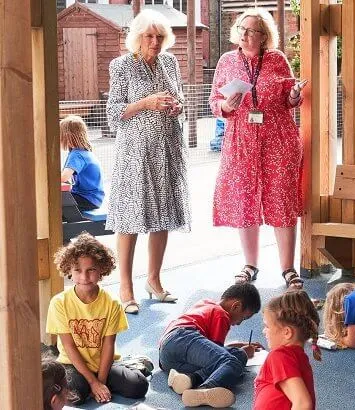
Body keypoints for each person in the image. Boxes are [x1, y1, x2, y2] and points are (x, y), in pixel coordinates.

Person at [209, 8, 307, 289]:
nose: (246, 34)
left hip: (278, 139)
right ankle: (250, 264)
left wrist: (294, 94)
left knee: (282, 199)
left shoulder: (277, 60)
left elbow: (290, 100)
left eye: (252, 30)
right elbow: (214, 101)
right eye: (242, 28)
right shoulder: (227, 61)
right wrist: (226, 106)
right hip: (240, 140)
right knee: (243, 198)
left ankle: (288, 269)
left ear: (264, 36)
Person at [106, 9, 191, 314]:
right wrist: (146, 103)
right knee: (130, 219)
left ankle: (154, 281)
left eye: (160, 37)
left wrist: (176, 107)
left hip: (166, 149)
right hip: (135, 154)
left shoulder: (170, 61)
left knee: (163, 215)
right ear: (137, 36)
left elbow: (179, 97)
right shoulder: (122, 66)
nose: (155, 42)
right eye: (149, 36)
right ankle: (125, 287)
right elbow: (113, 113)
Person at [46, 233, 151, 405]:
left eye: (91, 270)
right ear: (69, 270)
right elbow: (69, 346)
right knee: (75, 395)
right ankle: (90, 383)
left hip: (104, 364)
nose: (84, 277)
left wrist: (100, 382)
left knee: (139, 386)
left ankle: (131, 364)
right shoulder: (59, 303)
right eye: (78, 270)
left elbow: (109, 345)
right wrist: (93, 382)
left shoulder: (112, 303)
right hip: (72, 364)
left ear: (102, 269)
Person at [159, 283, 261, 408]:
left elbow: (212, 349)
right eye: (244, 318)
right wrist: (245, 351)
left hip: (168, 357)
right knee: (232, 363)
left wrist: (241, 348)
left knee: (238, 354)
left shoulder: (206, 303)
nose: (240, 323)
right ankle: (204, 390)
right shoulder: (221, 314)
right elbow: (220, 357)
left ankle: (188, 379)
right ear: (236, 306)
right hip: (184, 337)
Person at [254, 290, 321, 409]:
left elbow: (303, 403)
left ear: (287, 332)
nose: (264, 331)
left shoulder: (279, 356)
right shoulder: (299, 357)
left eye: (267, 326)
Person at [60, 115, 104, 211]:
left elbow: (63, 178)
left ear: (67, 136)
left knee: (51, 202)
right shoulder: (84, 152)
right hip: (93, 199)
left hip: (87, 198)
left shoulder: (77, 155)